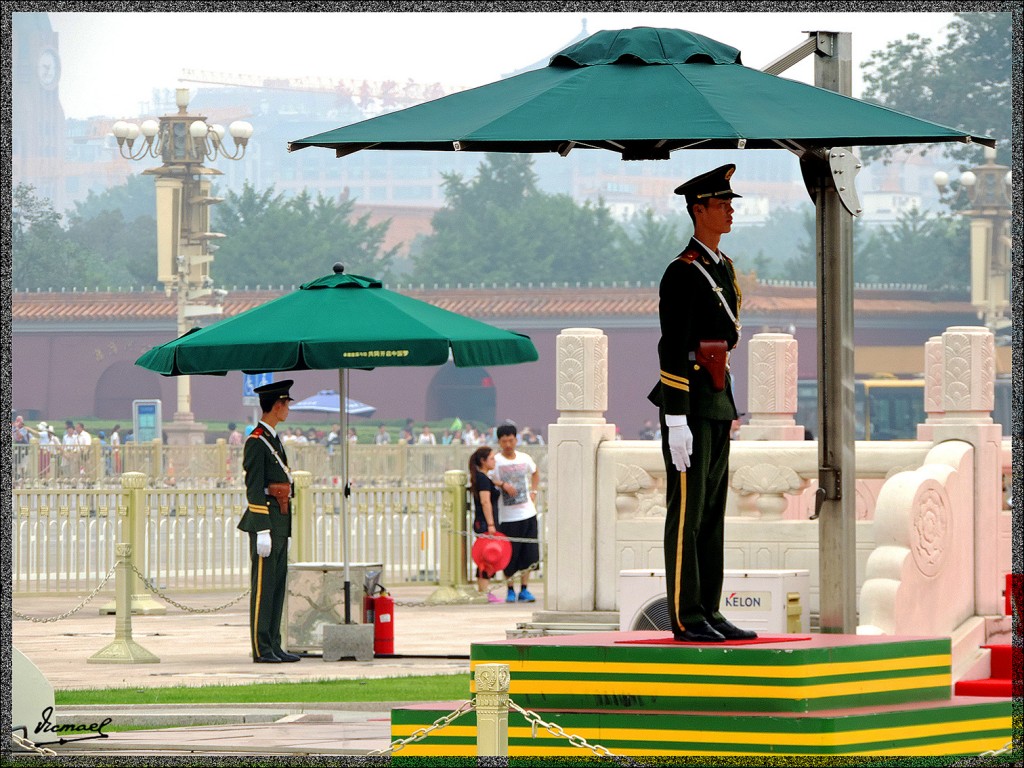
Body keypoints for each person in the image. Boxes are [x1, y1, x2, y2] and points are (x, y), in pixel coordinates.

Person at [647, 164, 756, 643]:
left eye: (730, 202)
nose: (730, 209)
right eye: (721, 202)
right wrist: (675, 418)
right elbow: (671, 346)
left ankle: (710, 609)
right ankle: (685, 615)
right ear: (698, 210)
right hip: (688, 401)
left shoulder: (722, 267)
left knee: (712, 512)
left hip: (715, 398)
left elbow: (725, 336)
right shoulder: (682, 271)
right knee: (687, 512)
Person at [237, 379, 301, 663]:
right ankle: (261, 647)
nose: (288, 409)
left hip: (280, 518)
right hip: (266, 521)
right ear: (277, 405)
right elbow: (254, 486)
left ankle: (274, 643)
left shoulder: (273, 439)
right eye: (286, 404)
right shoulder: (256, 441)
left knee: (276, 584)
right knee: (264, 587)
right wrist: (262, 528)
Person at [491, 424, 540, 603]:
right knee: (509, 555)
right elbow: (489, 479)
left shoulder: (524, 458)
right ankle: (510, 589)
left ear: (516, 439)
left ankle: (524, 589)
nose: (508, 444)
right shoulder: (496, 461)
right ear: (499, 441)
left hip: (527, 513)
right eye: (504, 441)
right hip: (507, 516)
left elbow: (535, 472)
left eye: (511, 440)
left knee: (529, 554)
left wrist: (533, 492)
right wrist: (502, 484)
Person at [468, 446, 503, 603]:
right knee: (487, 557)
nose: (494, 461)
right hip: (484, 523)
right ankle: (483, 591)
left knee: (488, 557)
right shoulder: (482, 479)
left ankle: (484, 590)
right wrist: (490, 524)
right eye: (491, 458)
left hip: (484, 522)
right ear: (483, 461)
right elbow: (485, 501)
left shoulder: (483, 478)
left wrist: (499, 484)